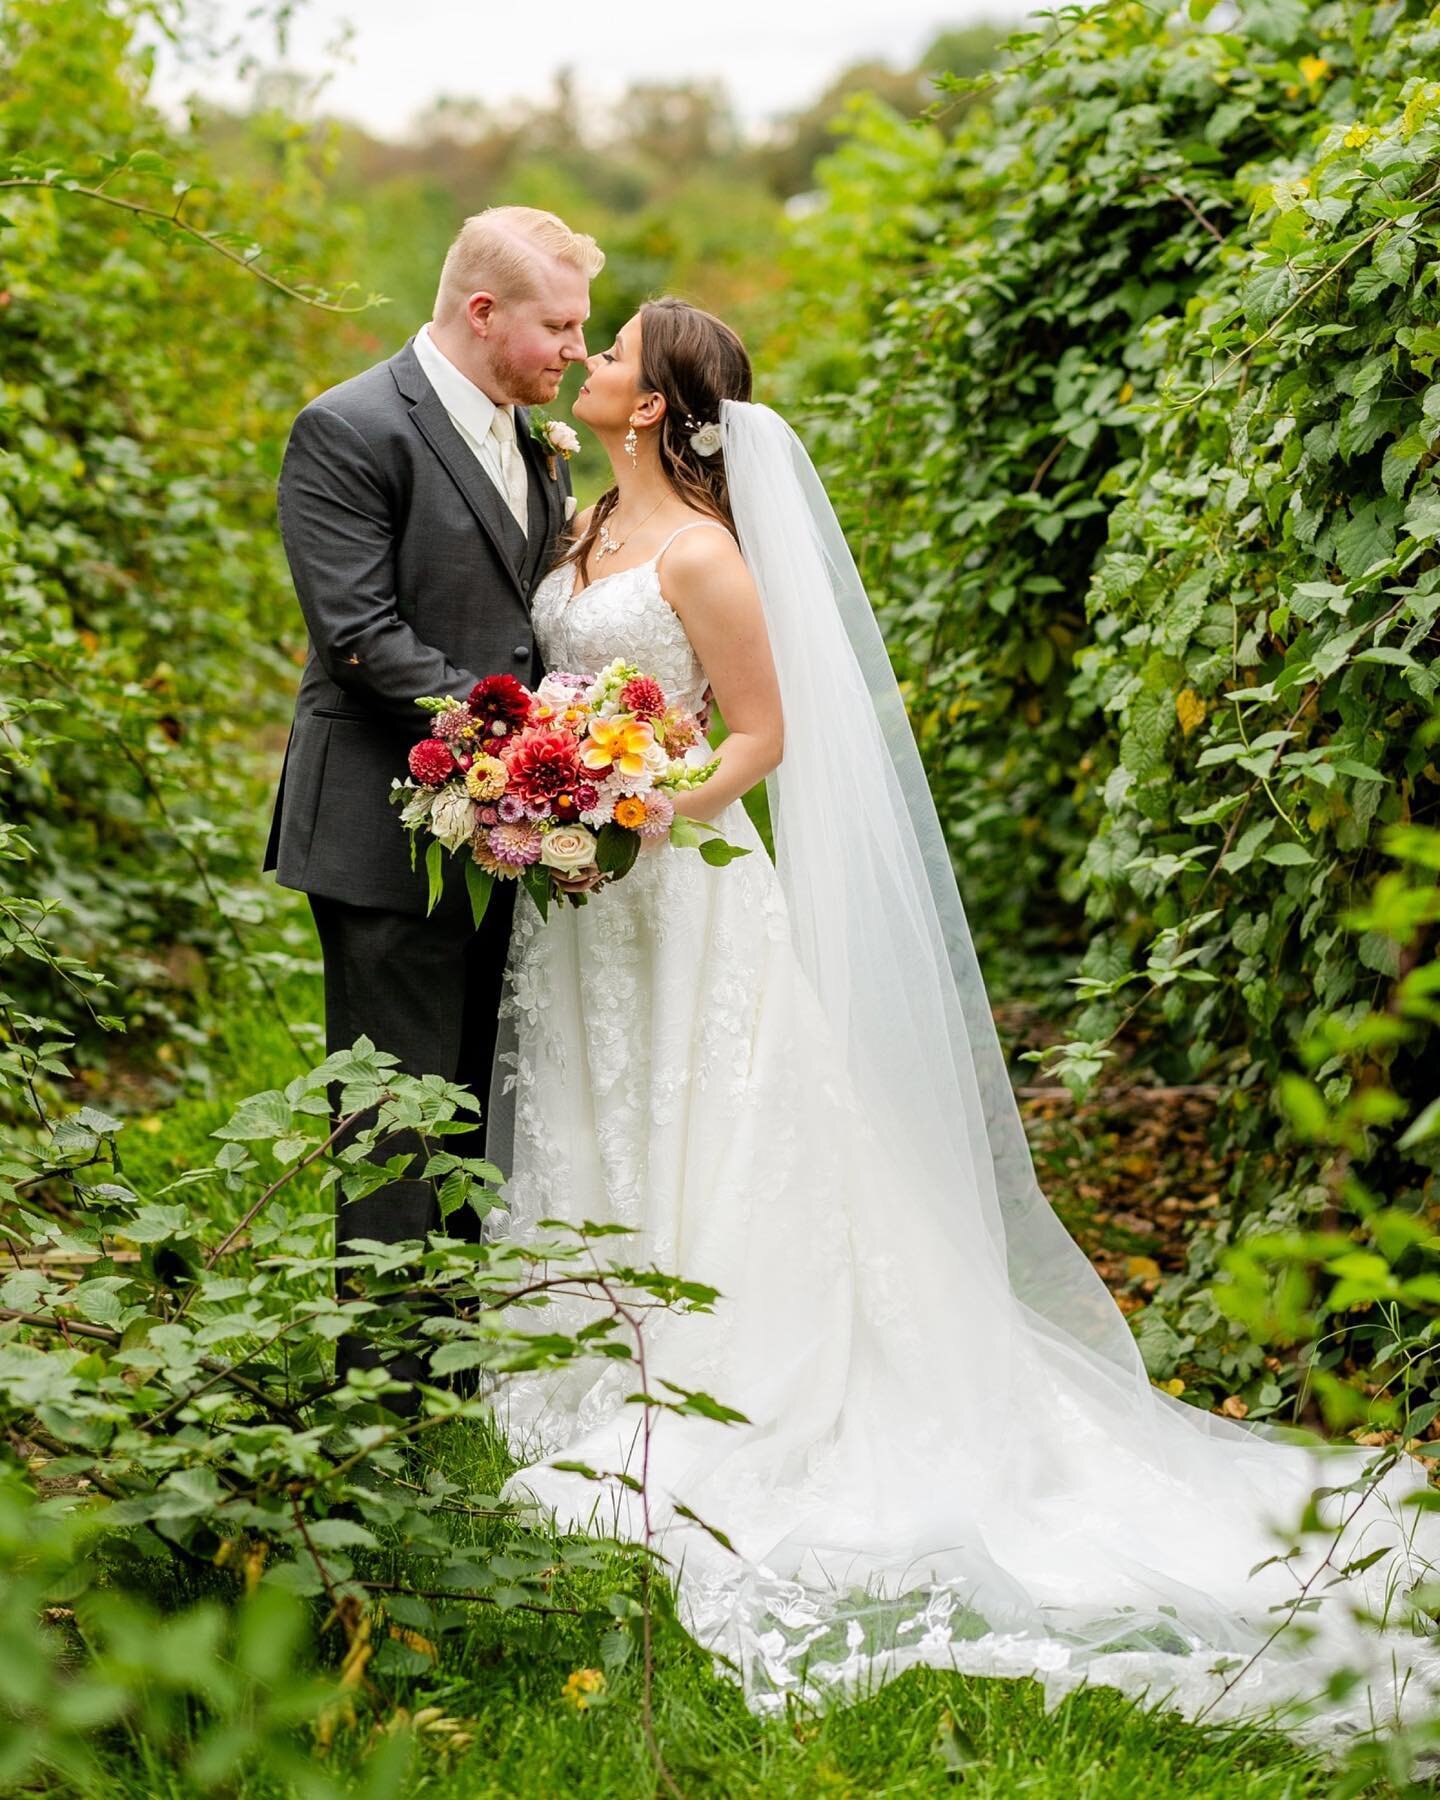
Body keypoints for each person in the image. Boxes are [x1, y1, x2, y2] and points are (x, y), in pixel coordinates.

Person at [482, 296, 1440, 1746]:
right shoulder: (575, 536)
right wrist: (543, 786)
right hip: (577, 897)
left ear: (662, 406)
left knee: (710, 1115)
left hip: (681, 886)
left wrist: (644, 808)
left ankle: (705, 1364)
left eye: (613, 352)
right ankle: (580, 1341)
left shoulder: (704, 554)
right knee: (597, 1098)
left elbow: (761, 731)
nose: (592, 365)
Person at [262, 206, 601, 1398]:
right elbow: (361, 636)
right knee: (396, 1117)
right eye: (560, 324)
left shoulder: (538, 442)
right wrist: (534, 738)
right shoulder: (351, 427)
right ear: (483, 311)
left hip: (504, 830)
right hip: (382, 824)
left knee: (474, 1103)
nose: (577, 347)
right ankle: (386, 1401)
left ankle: (459, 1376)